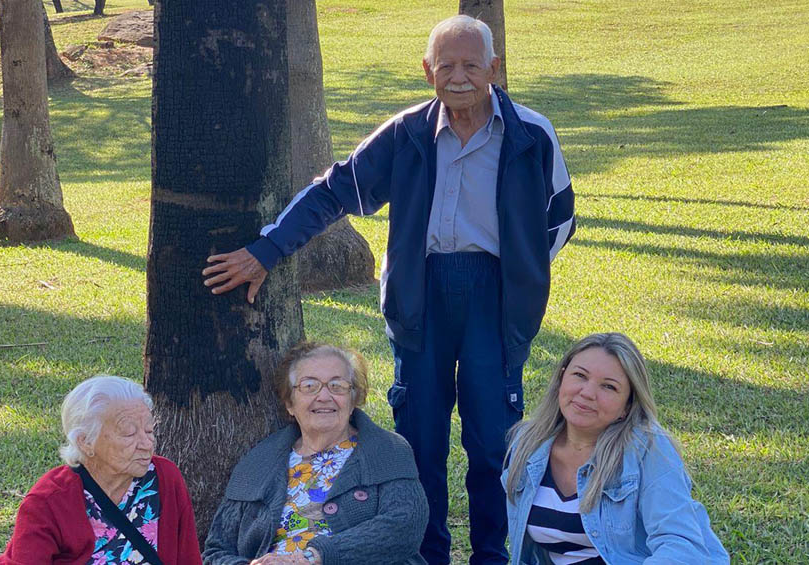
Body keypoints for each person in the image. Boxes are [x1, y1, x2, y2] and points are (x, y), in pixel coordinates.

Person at [202, 14, 574, 565]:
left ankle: (494, 555)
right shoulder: (406, 134)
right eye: (446, 65)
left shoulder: (531, 134)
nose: (460, 76)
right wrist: (268, 249)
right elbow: (332, 191)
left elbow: (559, 217)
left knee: (493, 439)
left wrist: (519, 274)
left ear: (494, 69)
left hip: (493, 304)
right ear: (427, 72)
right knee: (419, 438)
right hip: (420, 300)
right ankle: (425, 555)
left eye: (473, 64)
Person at [502, 333, 729, 564]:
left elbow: (681, 543)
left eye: (608, 387)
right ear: (562, 378)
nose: (588, 393)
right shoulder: (528, 442)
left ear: (627, 406)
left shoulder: (648, 449)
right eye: (580, 375)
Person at [203, 342, 428, 565]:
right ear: (289, 403)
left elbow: (405, 524)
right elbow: (216, 551)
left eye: (337, 386)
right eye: (309, 386)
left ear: (353, 400)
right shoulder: (259, 462)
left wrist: (313, 557)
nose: (324, 396)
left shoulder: (387, 449)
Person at [0, 375, 202, 565]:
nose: (147, 444)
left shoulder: (164, 478)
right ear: (85, 442)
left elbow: (188, 558)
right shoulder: (49, 501)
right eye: (129, 433)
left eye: (149, 430)